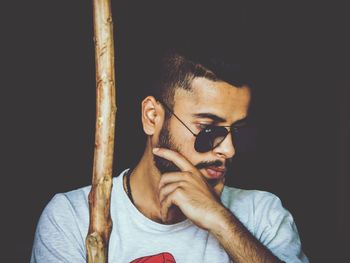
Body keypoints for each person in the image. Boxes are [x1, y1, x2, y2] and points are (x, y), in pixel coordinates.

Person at [31, 49, 309, 263]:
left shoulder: (262, 214)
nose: (228, 149)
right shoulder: (74, 217)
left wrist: (220, 220)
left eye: (237, 130)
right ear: (152, 117)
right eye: (209, 129)